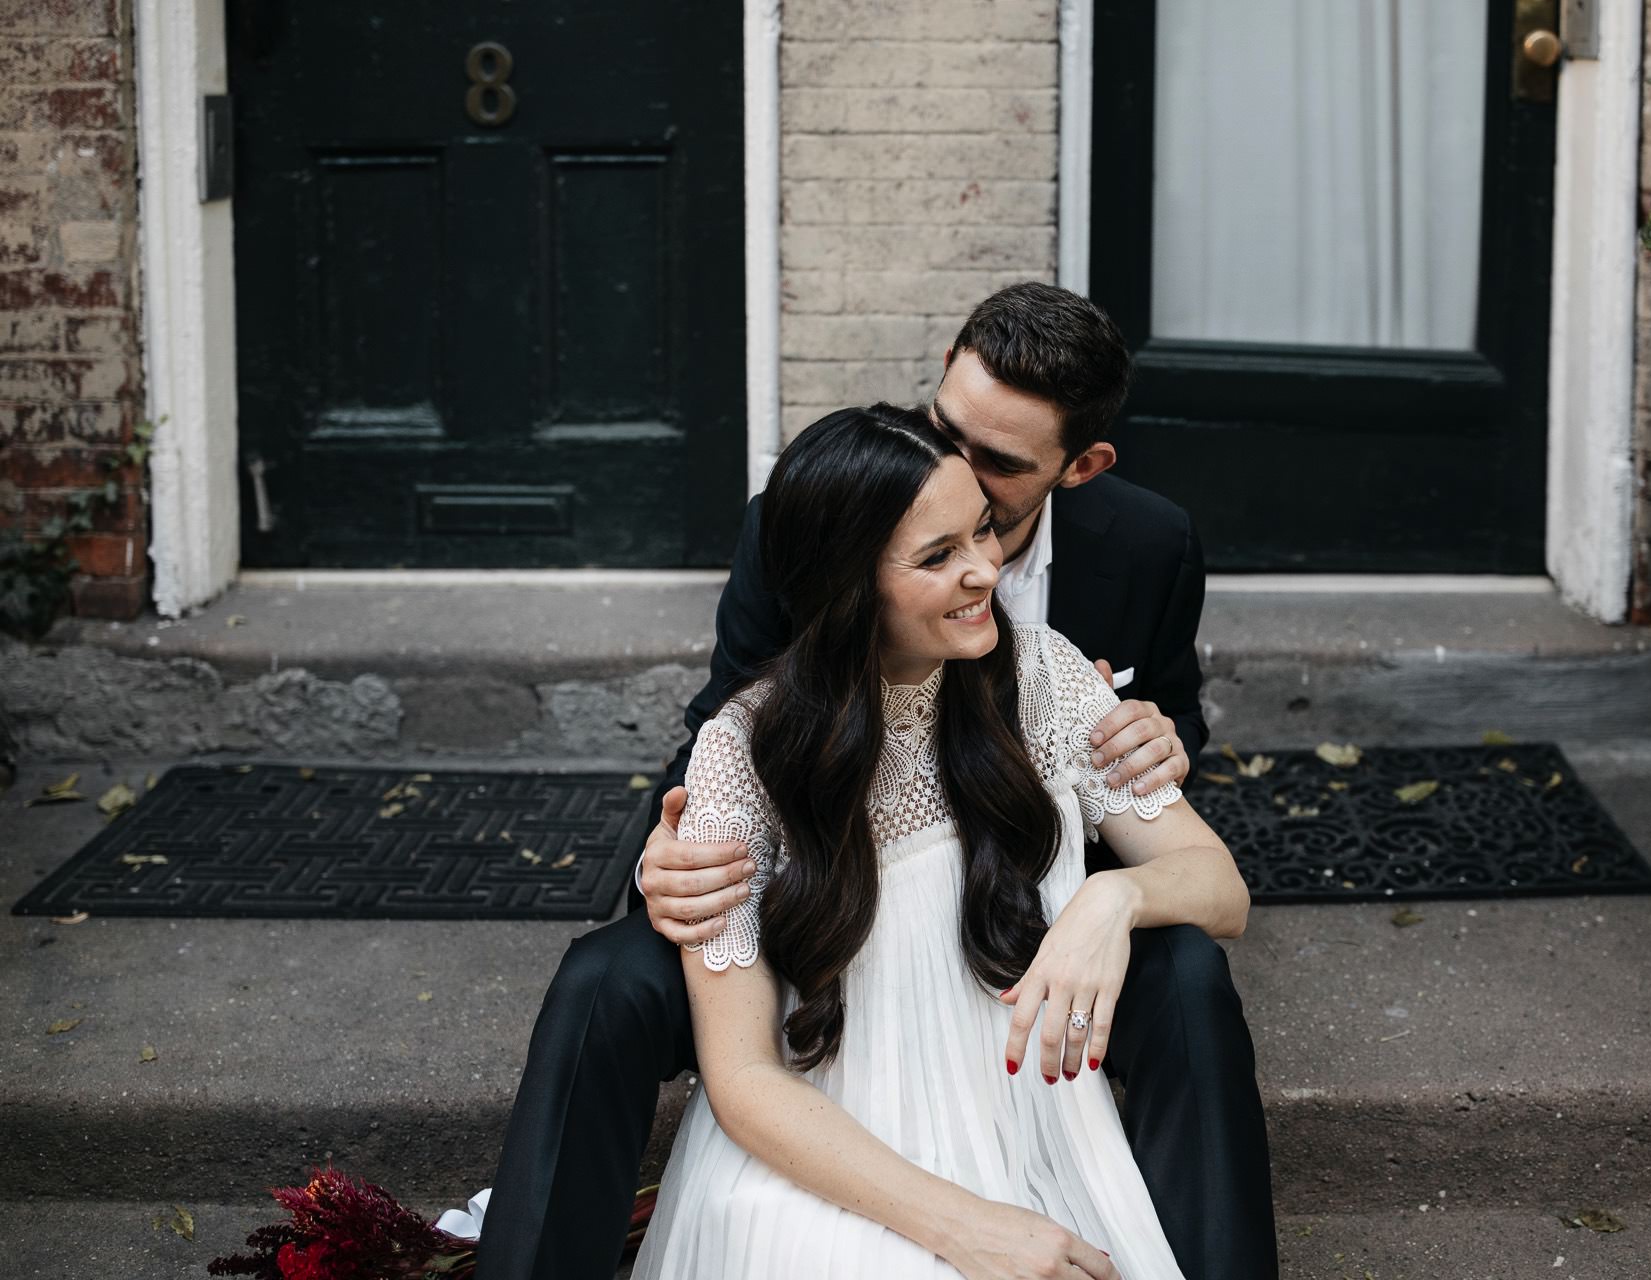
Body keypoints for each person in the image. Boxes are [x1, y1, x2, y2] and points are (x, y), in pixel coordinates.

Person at [474, 284, 1277, 1279]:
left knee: (1190, 972)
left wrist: (1122, 875)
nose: (974, 536)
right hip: (814, 903)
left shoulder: (1107, 596)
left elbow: (1186, 788)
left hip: (1020, 920)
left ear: (1079, 468)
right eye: (947, 438)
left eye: (990, 499)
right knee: (605, 980)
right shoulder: (815, 517)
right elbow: (733, 727)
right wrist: (670, 849)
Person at [629, 403, 1249, 1277]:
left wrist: (1115, 897)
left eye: (984, 532)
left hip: (1031, 1129)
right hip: (831, 1159)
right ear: (849, 588)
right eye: (938, 556)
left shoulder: (1045, 675)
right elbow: (742, 1078)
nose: (986, 570)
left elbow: (1221, 887)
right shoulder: (743, 750)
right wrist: (966, 1228)